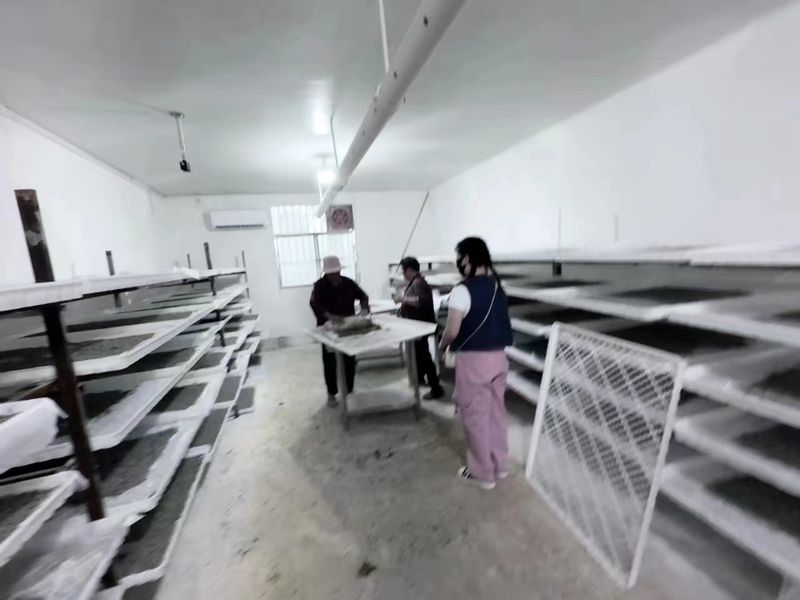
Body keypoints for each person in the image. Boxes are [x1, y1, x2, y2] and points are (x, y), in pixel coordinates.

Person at [439, 237, 513, 490]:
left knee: (476, 418)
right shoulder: (497, 286)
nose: (458, 262)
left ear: (468, 258)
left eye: (459, 256)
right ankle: (500, 466)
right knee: (496, 414)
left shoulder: (462, 291)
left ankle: (483, 473)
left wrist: (442, 344)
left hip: (474, 362)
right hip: (499, 359)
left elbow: (452, 331)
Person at [310, 256, 370, 407]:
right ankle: (331, 394)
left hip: (348, 326)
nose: (335, 275)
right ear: (326, 273)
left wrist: (364, 308)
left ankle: (349, 390)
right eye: (332, 273)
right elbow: (314, 303)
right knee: (330, 361)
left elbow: (363, 296)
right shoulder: (319, 286)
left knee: (349, 358)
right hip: (328, 328)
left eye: (337, 272)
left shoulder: (348, 283)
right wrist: (329, 316)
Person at [398, 256, 444, 400]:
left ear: (409, 270)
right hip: (416, 327)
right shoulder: (415, 282)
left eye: (403, 271)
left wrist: (402, 299)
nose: (402, 274)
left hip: (421, 327)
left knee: (424, 357)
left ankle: (436, 388)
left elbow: (419, 302)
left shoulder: (419, 283)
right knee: (419, 355)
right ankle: (421, 379)